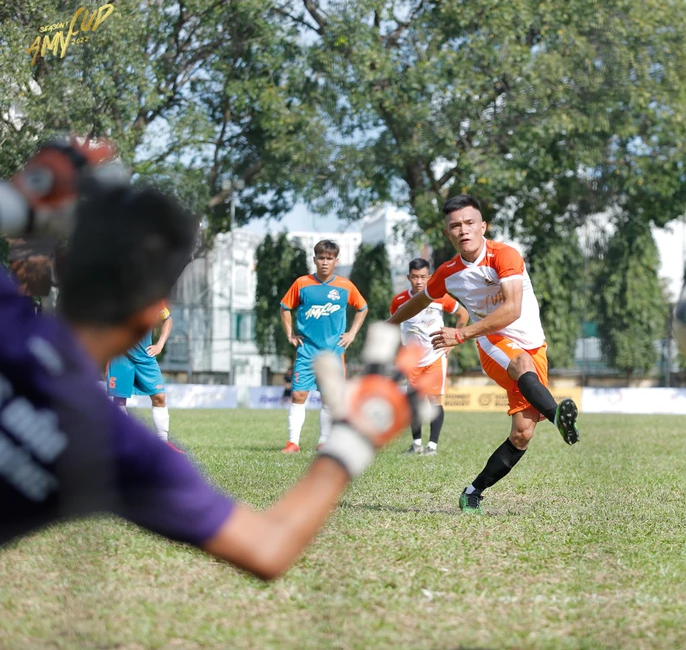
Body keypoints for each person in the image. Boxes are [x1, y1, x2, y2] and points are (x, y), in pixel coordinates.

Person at [0, 150, 412, 579]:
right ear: (152, 312)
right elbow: (268, 548)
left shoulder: (6, 318)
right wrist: (355, 440)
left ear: (62, 269)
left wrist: (20, 204)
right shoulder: (123, 450)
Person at [388, 195, 580, 514]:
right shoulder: (448, 273)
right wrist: (389, 323)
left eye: (469, 223)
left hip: (533, 346)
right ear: (448, 233)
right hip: (493, 344)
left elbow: (513, 308)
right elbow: (421, 300)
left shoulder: (505, 255)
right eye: (455, 226)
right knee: (521, 363)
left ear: (482, 226)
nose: (463, 230)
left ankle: (472, 492)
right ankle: (557, 414)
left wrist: (460, 333)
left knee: (522, 434)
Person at [279, 241, 368, 453]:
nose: (325, 262)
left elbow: (362, 308)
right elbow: (284, 307)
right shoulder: (302, 283)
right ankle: (293, 443)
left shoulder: (345, 286)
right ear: (314, 259)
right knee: (298, 395)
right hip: (307, 350)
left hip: (334, 353)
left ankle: (324, 441)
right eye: (321, 257)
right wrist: (290, 333)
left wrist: (352, 333)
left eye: (329, 258)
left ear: (336, 261)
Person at [390, 258, 470, 455]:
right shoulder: (399, 300)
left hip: (435, 356)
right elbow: (394, 325)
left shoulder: (440, 297)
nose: (419, 281)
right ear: (409, 277)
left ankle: (432, 446)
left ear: (430, 277)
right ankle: (416, 444)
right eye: (415, 277)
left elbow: (463, 315)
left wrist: (455, 340)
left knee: (434, 400)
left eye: (423, 277)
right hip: (412, 360)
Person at [106, 300, 176, 449]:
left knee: (159, 396)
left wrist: (160, 344)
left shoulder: (154, 295)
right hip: (120, 355)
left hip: (145, 357)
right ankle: (122, 443)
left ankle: (163, 444)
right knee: (119, 399)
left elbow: (168, 320)